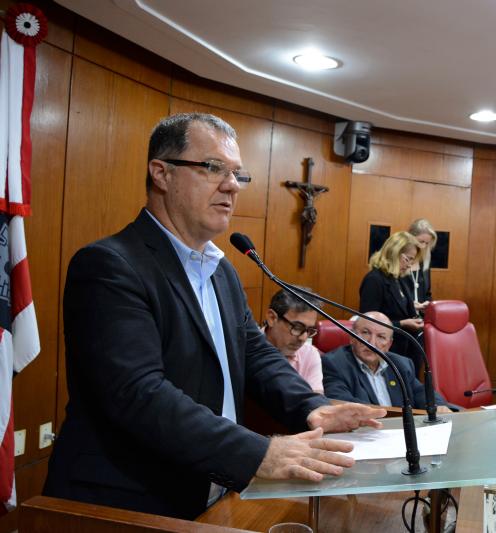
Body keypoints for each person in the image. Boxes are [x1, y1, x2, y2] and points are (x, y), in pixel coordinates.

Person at [43, 113, 385, 519]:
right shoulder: (110, 265)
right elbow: (139, 393)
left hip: (210, 489)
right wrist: (260, 452)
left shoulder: (220, 269)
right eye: (212, 168)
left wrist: (310, 405)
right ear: (161, 173)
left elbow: (254, 353)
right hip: (126, 502)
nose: (231, 186)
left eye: (238, 174)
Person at [323, 312, 450, 412]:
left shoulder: (401, 364)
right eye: (365, 333)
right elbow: (342, 404)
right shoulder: (334, 364)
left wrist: (438, 406)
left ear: (389, 344)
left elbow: (420, 392)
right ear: (352, 337)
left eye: (381, 337)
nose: (371, 342)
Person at [359, 231, 424, 365]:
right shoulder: (374, 280)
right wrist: (402, 324)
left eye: (412, 260)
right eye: (408, 259)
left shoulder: (397, 278)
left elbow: (401, 308)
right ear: (395, 253)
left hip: (406, 352)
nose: (410, 264)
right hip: (385, 353)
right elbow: (367, 323)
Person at [262, 288, 324, 393]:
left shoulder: (309, 354)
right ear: (272, 318)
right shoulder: (244, 348)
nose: (303, 338)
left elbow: (317, 401)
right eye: (297, 327)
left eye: (309, 330)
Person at [401, 218, 437, 315]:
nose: (423, 246)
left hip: (421, 320)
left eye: (427, 243)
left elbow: (427, 293)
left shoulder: (425, 261)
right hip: (402, 317)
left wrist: (428, 304)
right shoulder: (400, 261)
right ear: (410, 237)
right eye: (421, 241)